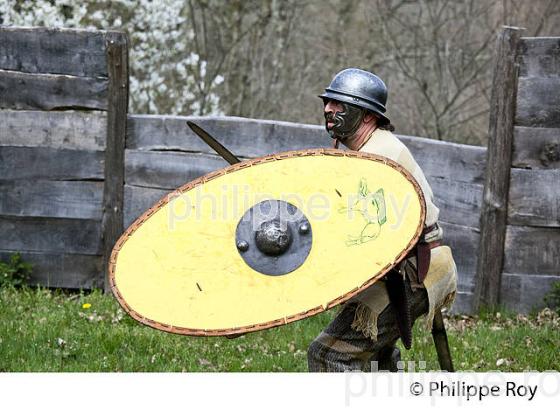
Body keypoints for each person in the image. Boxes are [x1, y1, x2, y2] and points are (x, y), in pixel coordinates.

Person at [307, 68, 457, 372]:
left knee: (328, 355)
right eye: (327, 103)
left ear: (366, 116)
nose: (327, 109)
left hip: (415, 272)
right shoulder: (366, 150)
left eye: (338, 105)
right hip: (405, 267)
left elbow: (359, 233)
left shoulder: (378, 157)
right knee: (377, 358)